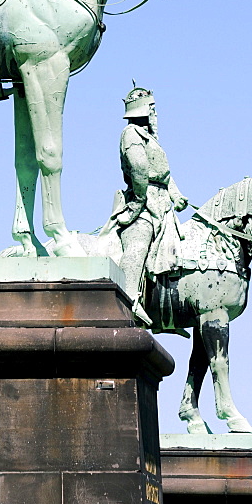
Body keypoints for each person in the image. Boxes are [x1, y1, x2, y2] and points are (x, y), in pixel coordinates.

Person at [101, 86, 188, 325]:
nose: (154, 113)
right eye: (152, 108)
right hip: (143, 205)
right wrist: (139, 203)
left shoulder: (150, 138)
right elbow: (139, 170)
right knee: (138, 243)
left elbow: (163, 174)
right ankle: (129, 302)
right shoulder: (131, 134)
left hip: (163, 206)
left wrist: (176, 194)